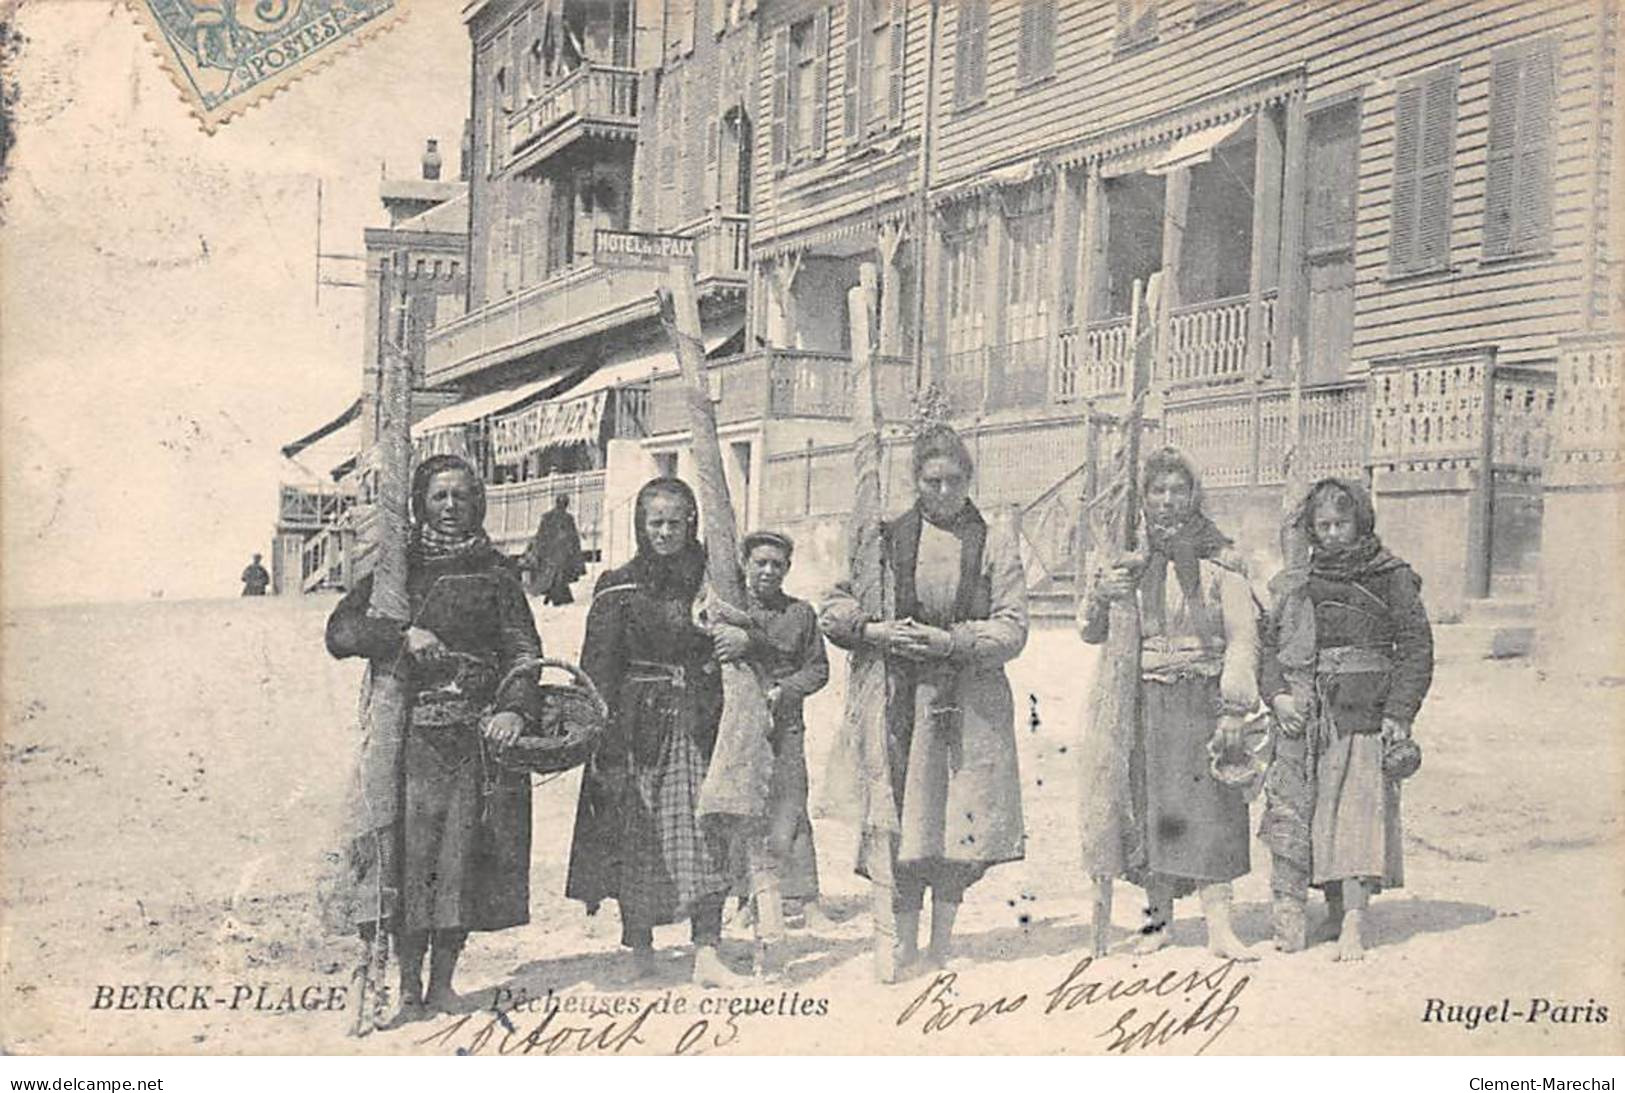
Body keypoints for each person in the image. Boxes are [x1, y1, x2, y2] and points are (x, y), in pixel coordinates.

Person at [323, 454, 543, 1019]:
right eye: (439, 496)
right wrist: (402, 634)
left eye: (461, 497)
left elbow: (523, 651)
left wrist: (516, 709)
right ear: (420, 502)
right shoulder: (399, 572)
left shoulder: (497, 575)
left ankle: (443, 982)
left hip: (473, 738)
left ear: (478, 504)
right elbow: (341, 632)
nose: (450, 508)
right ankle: (403, 986)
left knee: (459, 860)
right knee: (406, 859)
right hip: (408, 740)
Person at [821, 424, 1028, 975]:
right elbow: (834, 607)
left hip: (969, 701)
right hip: (899, 700)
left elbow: (1013, 628)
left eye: (953, 481)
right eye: (931, 481)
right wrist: (872, 631)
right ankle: (903, 942)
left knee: (955, 824)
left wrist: (954, 641)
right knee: (902, 823)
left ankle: (941, 944)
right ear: (915, 481)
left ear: (969, 480)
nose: (942, 492)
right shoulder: (885, 538)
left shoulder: (994, 541)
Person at [1079, 447, 1260, 961]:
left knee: (1213, 810)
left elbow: (1243, 637)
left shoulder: (1221, 559)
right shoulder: (1125, 560)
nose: (1168, 501)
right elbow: (1091, 632)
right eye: (1158, 490)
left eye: (1179, 490)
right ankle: (1158, 922)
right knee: (1153, 810)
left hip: (1202, 698)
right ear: (1143, 498)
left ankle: (1220, 929)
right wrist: (1103, 592)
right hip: (1145, 702)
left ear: (1194, 496)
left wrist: (1233, 707)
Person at [564, 477, 744, 987]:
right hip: (634, 727)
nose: (665, 532)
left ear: (693, 523)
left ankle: (707, 950)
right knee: (635, 834)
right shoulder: (619, 587)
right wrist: (597, 734)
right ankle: (639, 949)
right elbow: (596, 667)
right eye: (655, 523)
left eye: (675, 522)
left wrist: (735, 641)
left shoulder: (716, 584)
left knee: (704, 831)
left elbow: (747, 640)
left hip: (697, 722)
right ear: (641, 527)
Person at [1262, 477, 1434, 961]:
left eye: (1342, 523)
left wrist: (1401, 711)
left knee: (1358, 812)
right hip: (1313, 711)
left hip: (1367, 709)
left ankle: (1356, 920)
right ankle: (1335, 909)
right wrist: (1276, 695)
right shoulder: (1301, 581)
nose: (1334, 533)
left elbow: (1416, 646)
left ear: (1361, 522)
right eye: (1324, 526)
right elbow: (1270, 644)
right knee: (1319, 814)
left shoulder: (1391, 575)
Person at [711, 530, 831, 956]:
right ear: (745, 564)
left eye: (776, 565)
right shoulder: (731, 611)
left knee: (791, 802)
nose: (767, 571)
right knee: (745, 808)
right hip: (739, 724)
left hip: (785, 725)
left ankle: (806, 896)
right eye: (760, 562)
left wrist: (787, 689)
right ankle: (746, 899)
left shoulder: (800, 614)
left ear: (787, 570)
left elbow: (818, 669)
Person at [523, 494, 586, 605]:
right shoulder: (564, 518)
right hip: (558, 553)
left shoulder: (551, 517)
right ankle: (555, 596)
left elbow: (541, 536)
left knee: (555, 577)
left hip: (554, 553)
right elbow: (572, 538)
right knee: (557, 577)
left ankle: (554, 596)